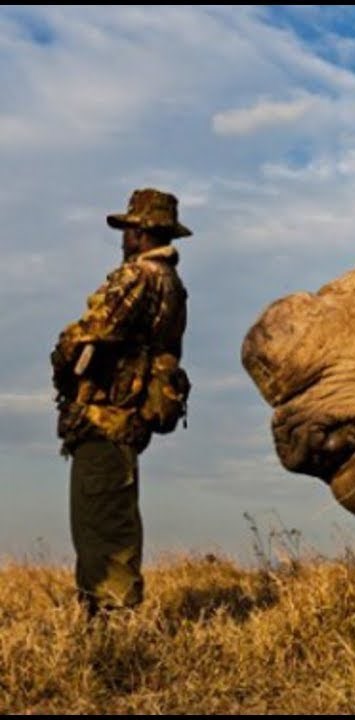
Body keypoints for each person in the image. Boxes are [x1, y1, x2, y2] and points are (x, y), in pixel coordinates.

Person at [50, 188, 192, 619]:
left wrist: (62, 357)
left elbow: (87, 335)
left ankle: (113, 620)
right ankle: (107, 614)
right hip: (127, 419)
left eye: (130, 228)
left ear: (143, 232)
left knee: (101, 523)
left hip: (105, 418)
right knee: (112, 516)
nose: (125, 236)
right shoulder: (173, 284)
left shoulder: (137, 276)